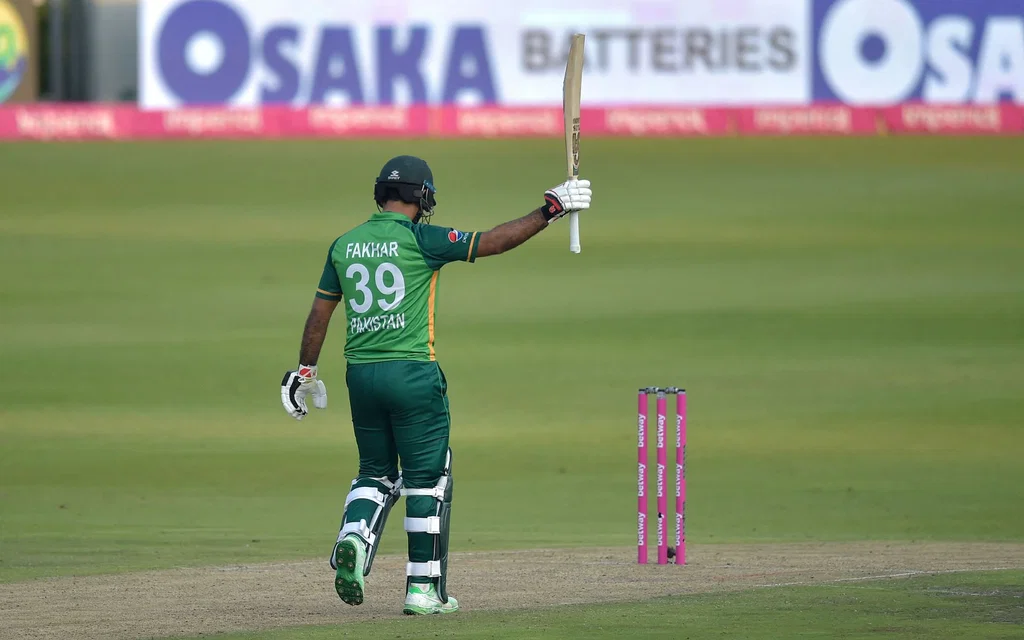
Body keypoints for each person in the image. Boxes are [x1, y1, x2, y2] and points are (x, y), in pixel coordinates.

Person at [280, 155, 593, 615]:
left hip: (360, 376)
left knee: (375, 474)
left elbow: (319, 315)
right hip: (412, 374)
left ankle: (354, 537)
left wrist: (304, 371)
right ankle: (422, 590)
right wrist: (551, 207)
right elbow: (493, 242)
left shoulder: (343, 245)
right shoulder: (423, 239)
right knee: (429, 479)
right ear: (420, 197)